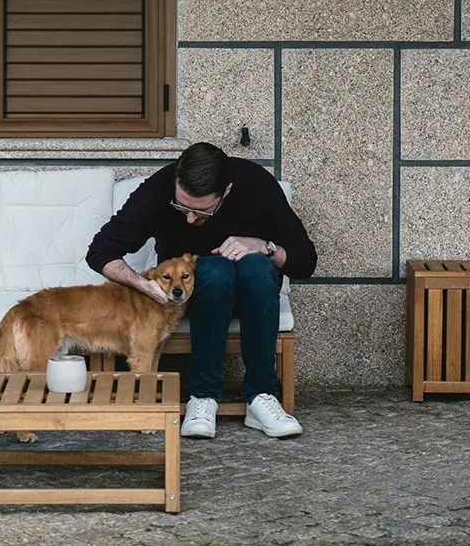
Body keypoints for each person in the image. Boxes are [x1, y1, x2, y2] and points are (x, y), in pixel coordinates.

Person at [86, 141, 316, 439]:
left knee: (257, 266)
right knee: (214, 271)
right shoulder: (159, 188)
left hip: (255, 294)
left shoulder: (257, 184)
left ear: (227, 192)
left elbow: (305, 262)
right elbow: (100, 251)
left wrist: (264, 246)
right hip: (194, 295)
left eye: (202, 211)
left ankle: (262, 396)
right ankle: (203, 397)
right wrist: (143, 285)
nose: (190, 219)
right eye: (182, 207)